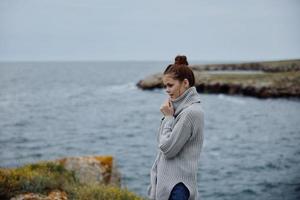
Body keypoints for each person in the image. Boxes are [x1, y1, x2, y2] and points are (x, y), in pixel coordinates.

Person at [148, 56, 204, 200]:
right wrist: (169, 116)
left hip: (177, 187)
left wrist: (167, 118)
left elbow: (167, 149)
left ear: (185, 83)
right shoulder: (178, 110)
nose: (167, 90)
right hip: (169, 184)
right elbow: (162, 144)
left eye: (170, 85)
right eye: (165, 86)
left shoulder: (190, 113)